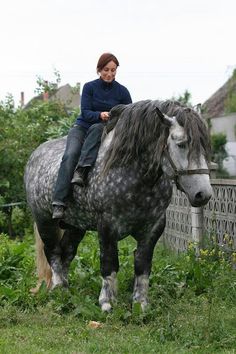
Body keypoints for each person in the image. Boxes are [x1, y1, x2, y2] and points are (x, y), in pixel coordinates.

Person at [52, 53, 132, 219]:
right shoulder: (89, 87)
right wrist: (100, 115)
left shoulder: (123, 92)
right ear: (99, 70)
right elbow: (86, 112)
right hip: (82, 127)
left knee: (97, 129)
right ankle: (59, 202)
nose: (109, 74)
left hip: (105, 130)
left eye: (113, 70)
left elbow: (129, 115)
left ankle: (82, 171)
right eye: (106, 70)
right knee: (70, 154)